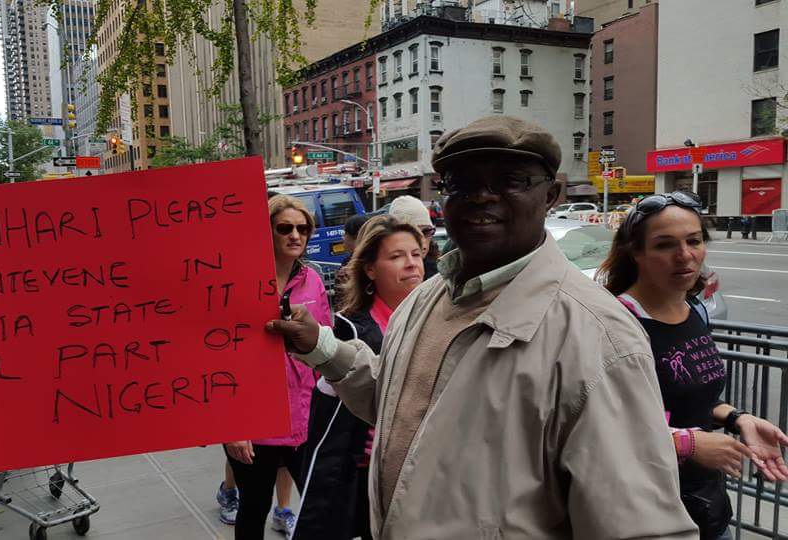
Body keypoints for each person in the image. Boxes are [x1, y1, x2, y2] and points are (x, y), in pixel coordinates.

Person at [267, 116, 698, 539]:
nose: (481, 196)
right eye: (461, 184)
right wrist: (322, 347)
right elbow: (397, 402)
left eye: (510, 180)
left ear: (551, 195)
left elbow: (642, 528)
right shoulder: (424, 299)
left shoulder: (600, 337)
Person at [598, 191, 788, 539]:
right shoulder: (614, 322)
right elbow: (597, 424)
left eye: (694, 241)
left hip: (707, 508)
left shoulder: (693, 309)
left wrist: (738, 418)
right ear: (636, 252)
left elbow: (685, 397)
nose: (685, 255)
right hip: (647, 515)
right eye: (664, 245)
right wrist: (686, 444)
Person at [295, 216, 424, 540]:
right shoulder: (350, 329)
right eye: (397, 256)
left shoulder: (435, 319)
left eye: (416, 254)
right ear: (370, 269)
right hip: (366, 475)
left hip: (422, 473)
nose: (412, 264)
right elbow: (330, 422)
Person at [225, 195, 332, 540]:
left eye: (303, 228)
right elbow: (219, 358)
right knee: (254, 507)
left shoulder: (314, 280)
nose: (295, 235)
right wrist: (231, 426)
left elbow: (326, 346)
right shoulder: (237, 281)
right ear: (267, 231)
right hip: (254, 419)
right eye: (285, 228)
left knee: (319, 507)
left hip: (304, 417)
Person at [387, 196, 438, 279]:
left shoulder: (442, 273)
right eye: (414, 234)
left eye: (427, 232)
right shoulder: (385, 275)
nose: (422, 241)